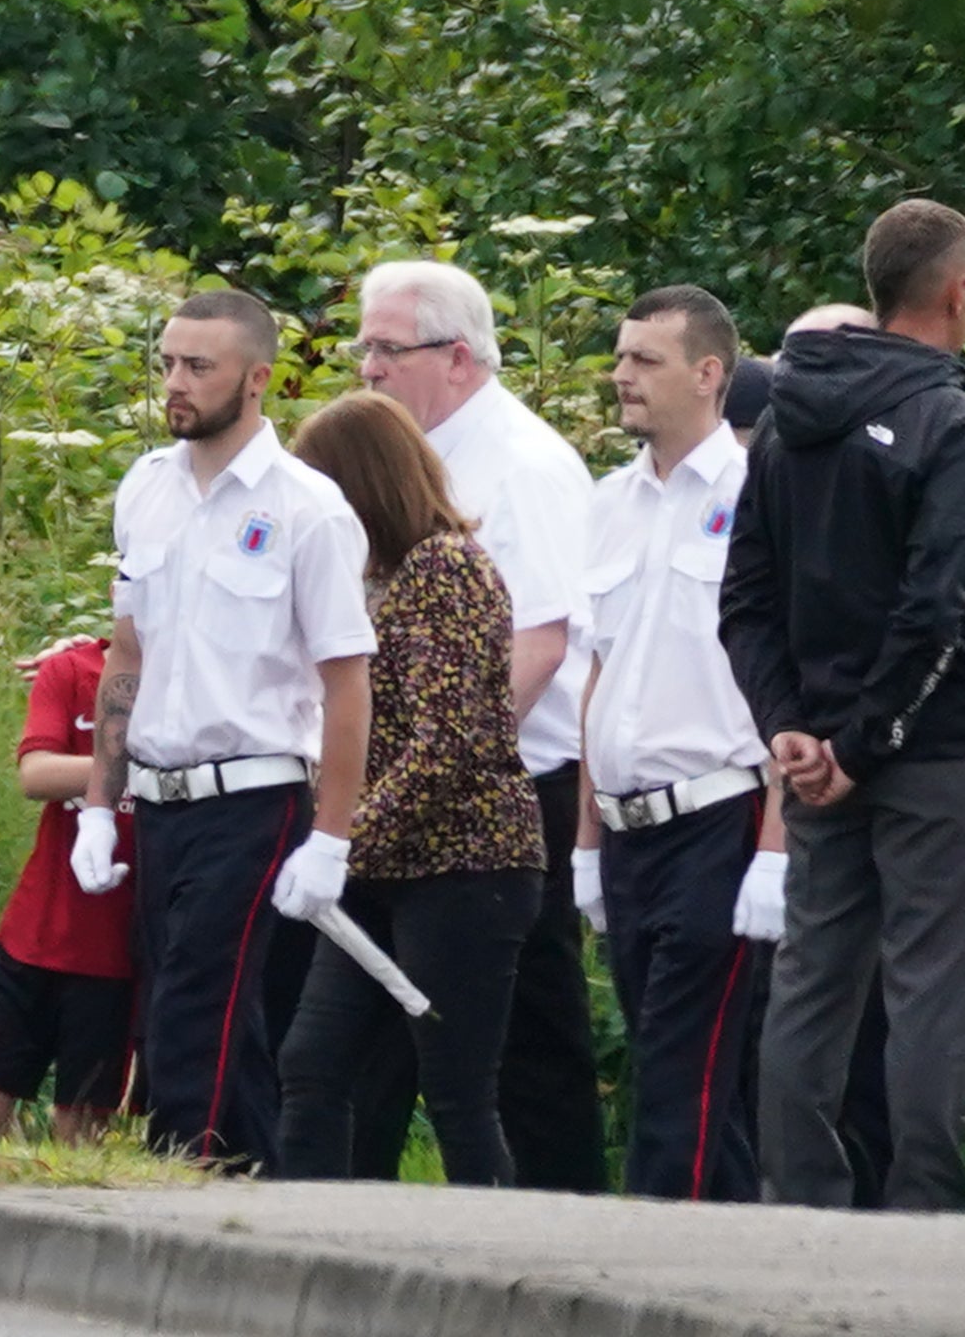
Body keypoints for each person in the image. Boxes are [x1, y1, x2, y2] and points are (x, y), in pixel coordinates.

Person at [723, 199, 965, 1210]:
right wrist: (862, 740)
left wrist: (789, 729)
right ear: (956, 292)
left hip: (815, 747)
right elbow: (936, 602)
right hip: (926, 749)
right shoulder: (951, 420)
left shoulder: (780, 423)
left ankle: (796, 1193)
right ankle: (924, 1202)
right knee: (932, 981)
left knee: (812, 977)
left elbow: (743, 601)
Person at [81, 286, 375, 1171]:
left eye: (197, 367)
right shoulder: (147, 488)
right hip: (160, 799)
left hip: (252, 796)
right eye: (167, 362)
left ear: (257, 380)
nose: (175, 382)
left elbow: (347, 683)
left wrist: (333, 837)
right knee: (192, 1010)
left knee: (195, 1014)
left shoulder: (307, 508)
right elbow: (126, 653)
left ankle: (184, 1190)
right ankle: (251, 1201)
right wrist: (102, 802)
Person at [349, 256, 610, 1194]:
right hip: (406, 779)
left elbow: (539, 643)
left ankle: (563, 1217)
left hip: (508, 783)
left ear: (458, 358)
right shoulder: (406, 459)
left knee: (529, 1027)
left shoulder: (526, 466)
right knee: (370, 1026)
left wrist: (447, 768)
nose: (367, 368)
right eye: (362, 347)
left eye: (386, 348)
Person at [269, 390, 545, 1185]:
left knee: (456, 1087)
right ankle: (316, 1243)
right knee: (312, 1061)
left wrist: (341, 839)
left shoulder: (444, 568)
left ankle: (491, 1266)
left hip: (466, 866)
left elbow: (447, 740)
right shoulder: (364, 583)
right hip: (377, 869)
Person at [572, 282, 780, 1201]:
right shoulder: (608, 502)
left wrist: (775, 850)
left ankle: (654, 1277)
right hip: (626, 831)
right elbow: (597, 675)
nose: (622, 376)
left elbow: (788, 689)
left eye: (643, 360)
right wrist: (584, 842)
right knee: (695, 1088)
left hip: (719, 817)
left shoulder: (760, 496)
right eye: (619, 357)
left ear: (708, 374)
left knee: (677, 1075)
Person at [0, 625, 135, 1141]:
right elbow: (36, 774)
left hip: (116, 949)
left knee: (80, 1121)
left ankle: (62, 1205)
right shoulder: (73, 669)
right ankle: (6, 1192)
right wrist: (129, 758)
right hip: (36, 927)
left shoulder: (191, 685)